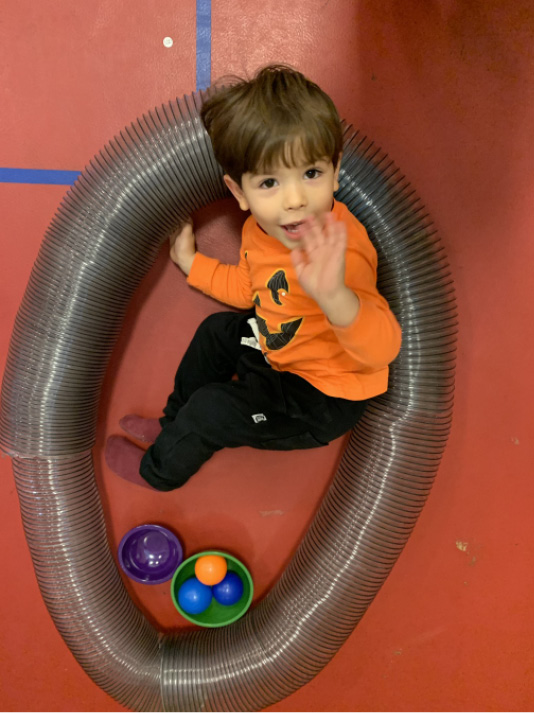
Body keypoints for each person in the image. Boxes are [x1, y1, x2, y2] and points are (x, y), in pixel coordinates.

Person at [105, 64, 402, 491]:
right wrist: (192, 263)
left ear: (336, 171)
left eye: (311, 174)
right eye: (269, 182)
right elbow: (250, 289)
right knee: (215, 334)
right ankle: (174, 429)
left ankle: (160, 471)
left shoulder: (339, 249)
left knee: (213, 410)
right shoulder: (259, 231)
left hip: (319, 398)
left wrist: (335, 296)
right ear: (239, 193)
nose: (296, 199)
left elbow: (380, 351)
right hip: (283, 347)